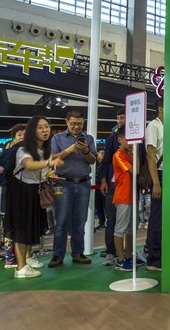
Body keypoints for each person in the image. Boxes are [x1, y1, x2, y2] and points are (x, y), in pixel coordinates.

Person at [6, 116, 63, 278]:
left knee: (30, 227)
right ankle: (20, 268)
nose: (45, 130)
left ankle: (26, 261)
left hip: (34, 190)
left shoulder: (46, 149)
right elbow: (29, 165)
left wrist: (50, 174)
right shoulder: (23, 149)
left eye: (47, 126)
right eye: (40, 127)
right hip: (20, 191)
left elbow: (41, 170)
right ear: (32, 130)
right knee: (21, 229)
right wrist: (49, 164)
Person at [48, 110, 96, 268]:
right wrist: (70, 150)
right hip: (63, 183)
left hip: (83, 183)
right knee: (60, 221)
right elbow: (54, 159)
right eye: (73, 123)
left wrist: (85, 151)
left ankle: (78, 253)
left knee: (80, 222)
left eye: (80, 123)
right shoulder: (57, 138)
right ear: (66, 122)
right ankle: (57, 254)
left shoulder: (88, 139)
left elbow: (92, 161)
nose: (76, 126)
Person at [99, 107, 126, 266]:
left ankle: (127, 252)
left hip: (129, 185)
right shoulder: (112, 138)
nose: (120, 121)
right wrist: (103, 180)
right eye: (118, 118)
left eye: (123, 118)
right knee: (112, 220)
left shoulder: (136, 139)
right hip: (113, 185)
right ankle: (110, 252)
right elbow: (106, 160)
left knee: (128, 222)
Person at [111, 126, 137, 271]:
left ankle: (128, 256)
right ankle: (121, 260)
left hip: (133, 197)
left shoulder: (131, 154)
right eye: (128, 138)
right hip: (123, 197)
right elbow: (136, 170)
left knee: (131, 230)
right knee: (120, 230)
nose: (131, 141)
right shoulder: (119, 155)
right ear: (120, 139)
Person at [1, 123, 26, 269]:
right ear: (14, 138)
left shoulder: (28, 151)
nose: (22, 137)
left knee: (20, 225)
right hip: (10, 194)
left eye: (25, 135)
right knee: (10, 225)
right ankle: (10, 258)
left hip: (23, 193)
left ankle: (20, 256)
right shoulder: (11, 152)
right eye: (19, 135)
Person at [145, 98, 164, 271]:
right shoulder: (154, 126)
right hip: (159, 174)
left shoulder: (168, 127)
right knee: (157, 217)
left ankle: (165, 254)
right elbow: (151, 156)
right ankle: (154, 258)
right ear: (160, 108)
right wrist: (156, 183)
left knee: (167, 217)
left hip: (169, 174)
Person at [94, 149, 106, 230]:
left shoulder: (105, 163)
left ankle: (106, 222)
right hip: (95, 188)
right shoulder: (94, 164)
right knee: (98, 207)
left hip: (103, 188)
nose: (102, 154)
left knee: (105, 206)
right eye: (101, 153)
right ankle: (101, 223)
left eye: (104, 153)